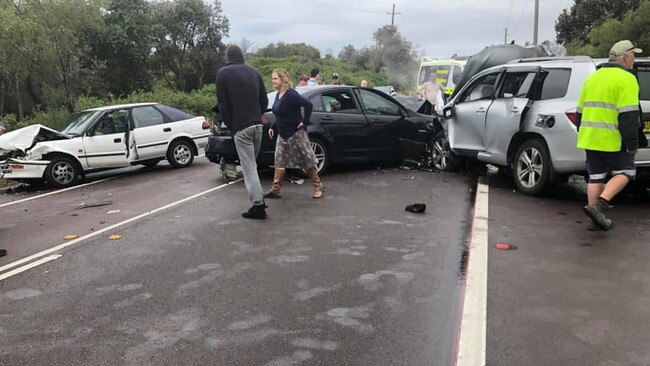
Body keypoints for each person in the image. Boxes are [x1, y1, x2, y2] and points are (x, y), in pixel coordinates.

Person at [577, 40, 642, 231]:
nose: (635, 59)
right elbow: (628, 115)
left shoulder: (593, 77)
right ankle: (599, 206)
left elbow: (580, 111)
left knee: (595, 177)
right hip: (612, 138)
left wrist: (585, 131)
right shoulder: (627, 79)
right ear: (626, 57)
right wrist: (632, 143)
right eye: (633, 55)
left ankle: (595, 219)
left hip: (589, 137)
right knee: (626, 172)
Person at [216, 44, 269, 219]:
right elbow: (264, 99)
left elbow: (223, 104)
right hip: (257, 126)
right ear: (242, 56)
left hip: (241, 127)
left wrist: (232, 126)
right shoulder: (254, 71)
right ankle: (259, 199)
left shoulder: (222, 74)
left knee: (249, 168)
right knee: (252, 165)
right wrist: (257, 114)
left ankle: (258, 206)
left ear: (227, 57)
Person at [264, 68, 324, 199]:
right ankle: (275, 189)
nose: (273, 81)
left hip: (296, 133)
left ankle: (318, 187)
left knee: (307, 160)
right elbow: (279, 113)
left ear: (282, 79)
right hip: (282, 133)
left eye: (275, 78)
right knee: (279, 161)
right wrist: (273, 127)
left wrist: (304, 122)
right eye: (272, 78)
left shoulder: (291, 94)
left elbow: (308, 105)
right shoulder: (278, 94)